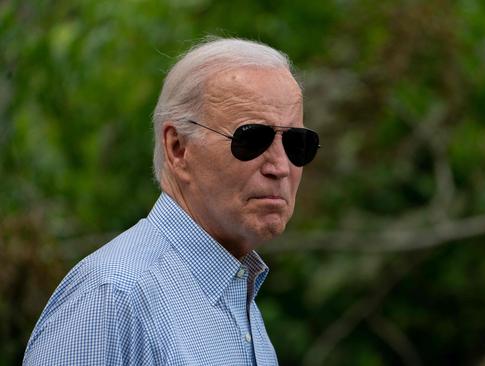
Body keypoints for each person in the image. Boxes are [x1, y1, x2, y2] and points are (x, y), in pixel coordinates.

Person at [23, 37, 320, 365]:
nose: (280, 166)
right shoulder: (114, 296)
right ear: (178, 148)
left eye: (297, 143)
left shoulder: (235, 295)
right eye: (251, 139)